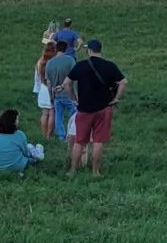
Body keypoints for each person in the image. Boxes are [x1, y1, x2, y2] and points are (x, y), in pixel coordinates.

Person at [67, 39, 126, 176]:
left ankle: (72, 170)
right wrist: (116, 98)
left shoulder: (80, 66)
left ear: (89, 51)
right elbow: (123, 82)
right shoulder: (109, 66)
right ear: (101, 50)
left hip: (84, 109)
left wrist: (74, 99)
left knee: (79, 141)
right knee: (98, 141)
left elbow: (67, 84)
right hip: (104, 109)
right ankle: (95, 171)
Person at [46, 32, 79, 139]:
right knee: (74, 114)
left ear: (56, 49)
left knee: (58, 116)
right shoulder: (70, 60)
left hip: (56, 94)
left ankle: (61, 136)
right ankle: (72, 133)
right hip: (69, 93)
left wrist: (51, 96)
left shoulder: (50, 63)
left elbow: (49, 82)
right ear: (66, 49)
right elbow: (75, 76)